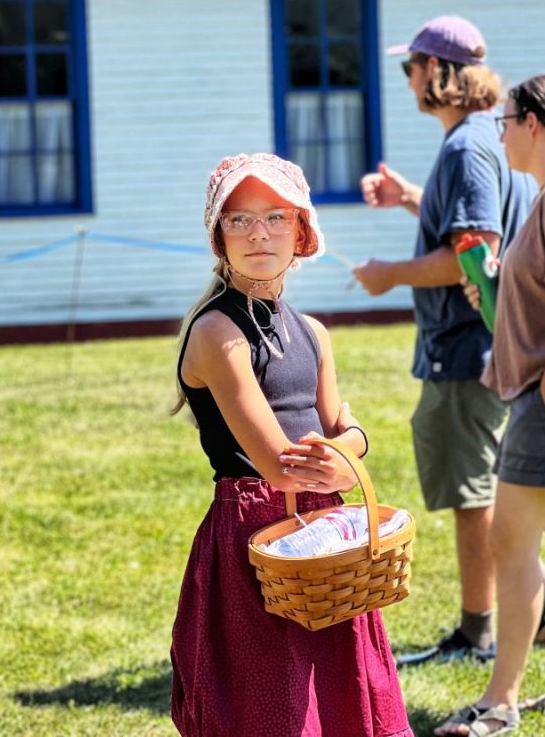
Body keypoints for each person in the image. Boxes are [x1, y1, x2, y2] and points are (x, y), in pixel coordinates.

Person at [352, 16, 545, 667]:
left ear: (443, 74)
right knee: (493, 493)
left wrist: (389, 275)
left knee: (474, 499)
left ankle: (480, 635)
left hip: (465, 352)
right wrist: (407, 201)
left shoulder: (466, 148)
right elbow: (466, 223)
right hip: (476, 351)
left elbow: (473, 253)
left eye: (413, 66)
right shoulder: (481, 140)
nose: (409, 79)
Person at [170, 153, 412, 737]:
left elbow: (348, 431)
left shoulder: (313, 333)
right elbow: (281, 466)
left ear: (301, 232)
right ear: (217, 235)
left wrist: (344, 451)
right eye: (240, 220)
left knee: (339, 700)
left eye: (276, 217)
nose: (259, 233)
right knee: (272, 708)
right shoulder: (215, 332)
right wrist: (339, 456)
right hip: (257, 541)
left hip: (326, 545)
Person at [435, 72, 545, 735]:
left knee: (510, 542)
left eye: (506, 119)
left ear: (534, 123)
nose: (499, 130)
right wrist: (499, 290)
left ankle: (499, 702)